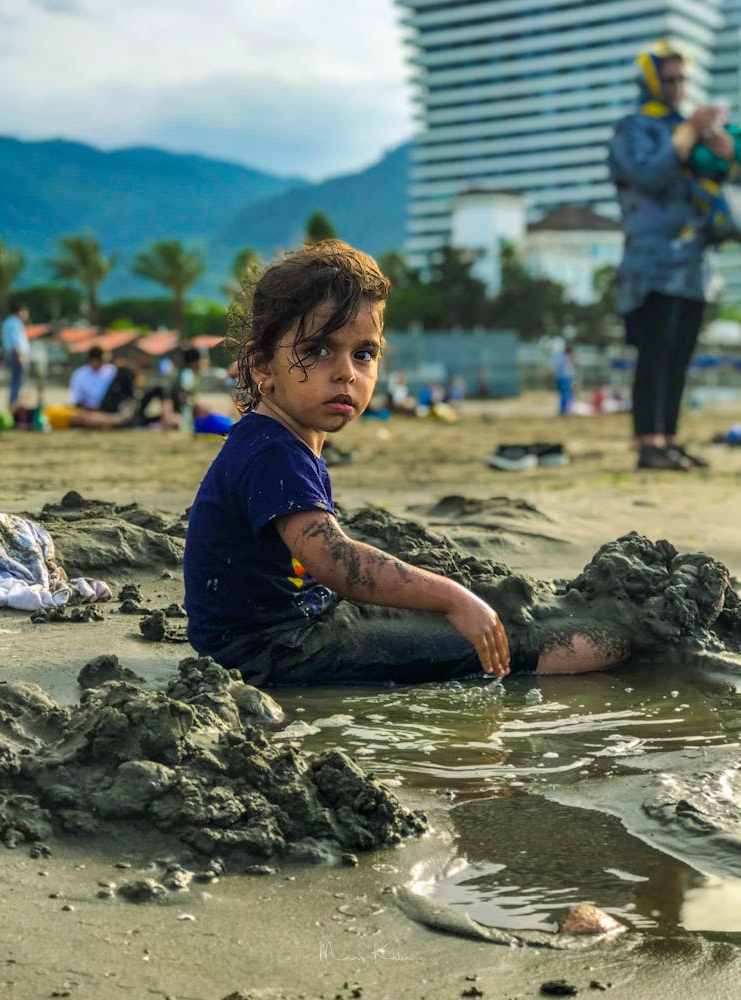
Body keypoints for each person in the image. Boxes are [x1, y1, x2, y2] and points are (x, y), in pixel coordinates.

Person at [183, 240, 625, 687]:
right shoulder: (272, 451)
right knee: (488, 644)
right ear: (261, 364)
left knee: (429, 616)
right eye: (318, 350)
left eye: (364, 354)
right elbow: (334, 559)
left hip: (281, 626)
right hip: (266, 650)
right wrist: (452, 597)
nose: (346, 373)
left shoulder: (279, 438)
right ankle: (593, 655)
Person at [608, 40, 737, 471]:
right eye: (670, 79)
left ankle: (670, 440)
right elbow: (647, 175)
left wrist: (727, 155)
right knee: (655, 351)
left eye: (683, 78)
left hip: (694, 265)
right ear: (649, 80)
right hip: (652, 263)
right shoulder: (633, 128)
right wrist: (685, 135)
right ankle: (649, 443)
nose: (679, 87)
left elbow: (717, 185)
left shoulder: (692, 127)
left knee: (681, 354)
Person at [0, 301, 30, 409]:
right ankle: (14, 406)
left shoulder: (9, 322)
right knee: (18, 381)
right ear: (19, 311)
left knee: (16, 380)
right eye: (25, 312)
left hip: (14, 355)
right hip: (16, 355)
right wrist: (19, 356)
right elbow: (15, 341)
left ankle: (14, 405)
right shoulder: (14, 322)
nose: (26, 315)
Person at [69, 346, 117, 410]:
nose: (95, 363)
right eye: (93, 361)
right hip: (86, 410)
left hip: (107, 409)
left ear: (102, 360)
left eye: (98, 361)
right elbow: (77, 399)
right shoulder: (80, 374)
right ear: (89, 360)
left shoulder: (111, 371)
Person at [553, 343, 575, 416]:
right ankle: (564, 411)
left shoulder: (560, 356)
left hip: (561, 377)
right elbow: (574, 365)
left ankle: (563, 410)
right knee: (565, 394)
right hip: (565, 378)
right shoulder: (566, 357)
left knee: (563, 394)